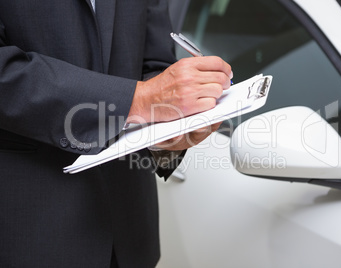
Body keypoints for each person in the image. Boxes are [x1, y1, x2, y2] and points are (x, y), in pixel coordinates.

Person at [0, 0, 232, 267]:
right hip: (28, 234)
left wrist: (169, 130)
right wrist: (142, 99)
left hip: (129, 241)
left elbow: (156, 64)